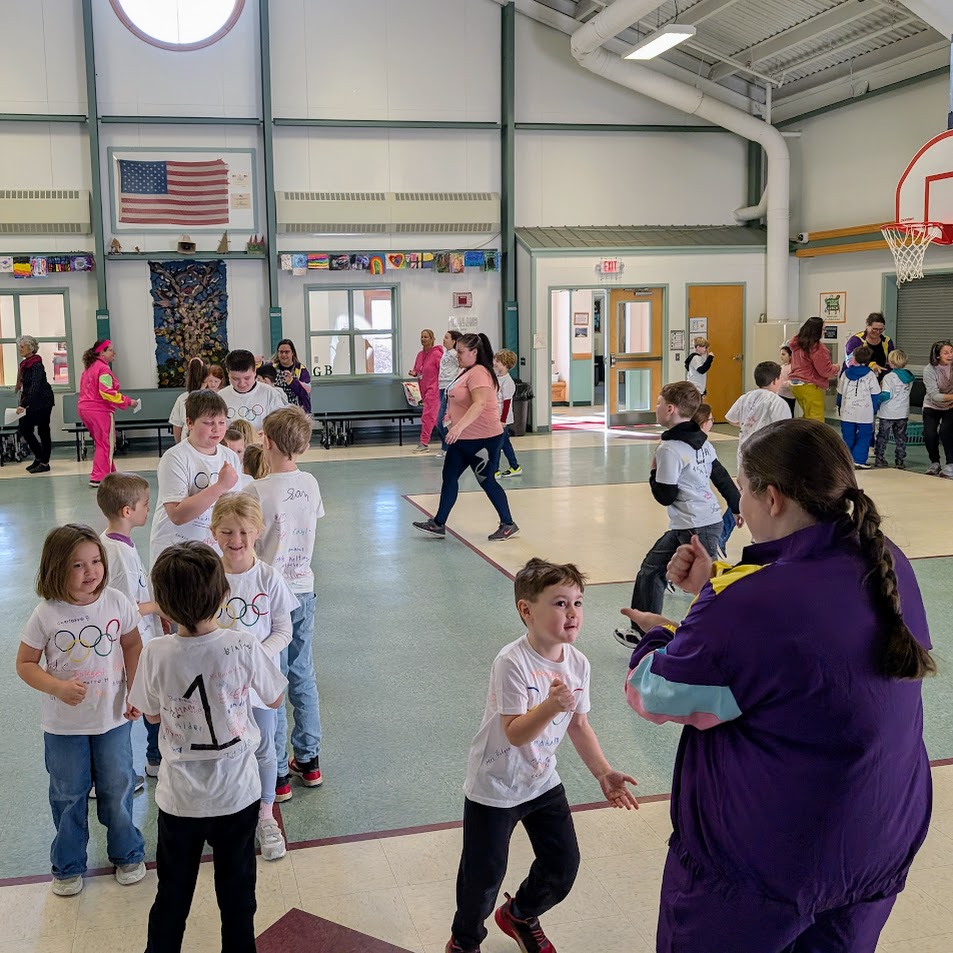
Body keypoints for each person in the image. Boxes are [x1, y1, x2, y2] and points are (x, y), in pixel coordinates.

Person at [621, 418, 934, 953]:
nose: (738, 506)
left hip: (773, 862)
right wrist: (715, 590)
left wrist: (664, 633)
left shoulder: (749, 604)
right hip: (878, 839)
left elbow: (652, 692)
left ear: (772, 497)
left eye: (743, 489)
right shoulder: (886, 561)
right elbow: (800, 652)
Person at [445, 558, 639, 953]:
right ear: (526, 610)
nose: (572, 613)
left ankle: (520, 914)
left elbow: (579, 725)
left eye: (578, 603)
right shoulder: (511, 662)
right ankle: (464, 942)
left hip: (542, 780)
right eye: (560, 603)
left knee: (562, 865)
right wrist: (551, 706)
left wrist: (603, 773)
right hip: (495, 785)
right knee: (482, 878)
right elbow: (515, 733)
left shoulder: (578, 663)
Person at [129, 542, 287, 953]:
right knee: (237, 897)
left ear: (163, 605)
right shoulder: (243, 644)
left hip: (180, 799)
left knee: (172, 895)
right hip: (237, 793)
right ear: (222, 595)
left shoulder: (155, 652)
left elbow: (150, 715)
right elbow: (274, 698)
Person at [16, 524, 146, 897]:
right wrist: (56, 687)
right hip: (63, 727)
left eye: (95, 561)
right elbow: (25, 663)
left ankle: (127, 853)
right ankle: (69, 864)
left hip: (113, 719)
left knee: (117, 786)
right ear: (57, 568)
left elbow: (132, 644)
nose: (90, 572)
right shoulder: (46, 614)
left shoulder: (117, 601)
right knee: (68, 793)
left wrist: (135, 690)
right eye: (77, 565)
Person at [614, 382, 740, 648]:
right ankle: (643, 630)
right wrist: (737, 505)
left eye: (659, 403)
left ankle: (718, 639)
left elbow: (665, 496)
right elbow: (720, 476)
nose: (656, 407)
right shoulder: (702, 442)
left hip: (696, 525)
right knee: (651, 569)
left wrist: (653, 472)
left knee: (707, 585)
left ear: (670, 409)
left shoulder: (669, 449)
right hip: (696, 522)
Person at [211, 493, 298, 862]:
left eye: (245, 532)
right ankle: (227, 813)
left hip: (260, 686)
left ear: (258, 532)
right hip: (219, 686)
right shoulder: (208, 575)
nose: (237, 540)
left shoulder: (268, 577)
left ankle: (265, 814)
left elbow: (283, 630)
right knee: (224, 749)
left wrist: (254, 656)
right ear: (214, 532)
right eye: (228, 532)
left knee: (264, 748)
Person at [246, 406, 325, 801]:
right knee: (302, 673)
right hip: (303, 587)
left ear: (268, 442)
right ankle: (309, 761)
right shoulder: (310, 483)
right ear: (303, 446)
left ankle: (277, 771)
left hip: (269, 593)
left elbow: (251, 541)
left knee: (271, 678)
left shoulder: (256, 490)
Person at [412, 333, 519, 541]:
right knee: (449, 476)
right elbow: (455, 398)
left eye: (461, 352)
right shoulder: (466, 370)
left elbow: (479, 404)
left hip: (483, 439)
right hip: (462, 439)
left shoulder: (479, 373)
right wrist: (449, 418)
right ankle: (438, 523)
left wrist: (457, 428)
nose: (457, 355)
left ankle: (508, 523)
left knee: (486, 481)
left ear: (474, 352)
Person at [97, 473, 164, 778]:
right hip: (133, 645)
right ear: (128, 510)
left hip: (142, 638)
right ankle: (151, 760)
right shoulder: (117, 553)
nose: (149, 509)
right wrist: (160, 607)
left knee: (151, 701)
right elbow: (126, 609)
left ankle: (154, 757)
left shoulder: (117, 542)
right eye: (145, 504)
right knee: (143, 703)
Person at [149, 390, 240, 566]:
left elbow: (234, 507)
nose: (217, 428)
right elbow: (177, 514)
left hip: (212, 550)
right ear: (190, 423)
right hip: (177, 551)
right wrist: (220, 486)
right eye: (208, 423)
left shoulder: (230, 457)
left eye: (222, 422)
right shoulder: (175, 457)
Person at [77, 339, 140, 488]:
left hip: (84, 409)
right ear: (102, 353)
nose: (114, 352)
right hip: (99, 410)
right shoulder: (103, 369)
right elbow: (107, 393)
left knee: (102, 443)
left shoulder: (89, 367)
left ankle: (111, 474)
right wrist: (128, 402)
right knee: (105, 444)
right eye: (110, 350)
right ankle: (99, 477)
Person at [14, 334, 55, 473]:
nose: (20, 349)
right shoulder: (25, 364)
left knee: (43, 431)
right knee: (24, 428)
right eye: (19, 346)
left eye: (22, 346)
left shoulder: (36, 365)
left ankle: (44, 462)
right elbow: (26, 387)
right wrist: (23, 402)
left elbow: (35, 387)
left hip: (43, 402)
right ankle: (39, 456)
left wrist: (23, 405)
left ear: (31, 348)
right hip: (32, 402)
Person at [219, 349, 287, 430]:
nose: (242, 384)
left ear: (255, 371)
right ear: (228, 372)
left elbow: (281, 426)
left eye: (247, 378)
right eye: (235, 379)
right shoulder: (220, 397)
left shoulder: (270, 394)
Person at [837, 346, 881, 469]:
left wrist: (839, 406)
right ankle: (859, 460)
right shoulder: (870, 375)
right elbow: (875, 394)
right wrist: (874, 409)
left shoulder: (845, 374)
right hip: (865, 413)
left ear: (854, 358)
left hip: (847, 412)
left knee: (847, 437)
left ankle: (846, 460)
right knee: (864, 436)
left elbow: (840, 393)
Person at [788, 317, 839, 421]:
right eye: (823, 329)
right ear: (816, 331)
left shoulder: (797, 344)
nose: (825, 332)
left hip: (795, 385)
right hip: (810, 385)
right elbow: (825, 371)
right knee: (816, 420)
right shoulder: (818, 348)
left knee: (807, 417)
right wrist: (836, 368)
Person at [874, 348, 914, 470]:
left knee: (883, 437)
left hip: (888, 412)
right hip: (903, 412)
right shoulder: (910, 377)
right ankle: (900, 461)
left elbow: (887, 395)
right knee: (901, 438)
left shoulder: (889, 377)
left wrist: (876, 399)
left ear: (890, 362)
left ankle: (879, 459)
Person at [409, 328, 444, 453]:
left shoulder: (437, 355)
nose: (423, 339)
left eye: (426, 337)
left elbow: (443, 372)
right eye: (422, 337)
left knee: (428, 416)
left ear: (432, 339)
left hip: (434, 390)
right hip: (423, 389)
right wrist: (414, 373)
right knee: (437, 418)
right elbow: (417, 369)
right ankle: (449, 441)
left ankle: (423, 442)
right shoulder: (420, 355)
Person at [922, 339, 953, 477]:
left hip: (951, 407)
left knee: (946, 431)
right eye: (946, 353)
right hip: (932, 405)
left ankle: (951, 463)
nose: (950, 355)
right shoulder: (929, 370)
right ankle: (934, 462)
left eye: (951, 351)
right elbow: (934, 395)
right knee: (929, 434)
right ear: (937, 355)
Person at [493, 349, 522, 478]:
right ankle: (515, 466)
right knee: (505, 443)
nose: (495, 363)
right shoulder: (497, 377)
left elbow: (506, 402)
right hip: (496, 415)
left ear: (505, 364)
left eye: (498, 361)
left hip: (502, 419)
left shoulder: (507, 382)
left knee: (497, 445)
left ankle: (495, 469)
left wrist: (503, 420)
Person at [844, 312, 895, 378]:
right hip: (857, 378)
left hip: (881, 379)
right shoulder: (856, 340)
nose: (878, 332)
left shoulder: (887, 341)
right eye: (875, 329)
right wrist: (871, 365)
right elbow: (850, 362)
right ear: (867, 326)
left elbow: (892, 362)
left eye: (881, 329)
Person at [169, 357, 208, 444]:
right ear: (206, 379)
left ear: (188, 378)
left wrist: (178, 445)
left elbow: (177, 426)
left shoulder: (182, 399)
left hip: (186, 442)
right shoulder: (213, 398)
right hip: (207, 443)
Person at [437, 329, 463, 451]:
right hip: (442, 387)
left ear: (454, 341)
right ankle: (446, 447)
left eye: (447, 337)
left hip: (450, 387)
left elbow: (462, 366)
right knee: (441, 421)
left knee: (442, 420)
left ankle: (448, 447)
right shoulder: (446, 353)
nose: (444, 339)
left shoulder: (455, 354)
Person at [272, 338, 312, 414]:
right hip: (277, 412)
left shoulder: (301, 370)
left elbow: (305, 393)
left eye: (286, 352)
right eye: (281, 352)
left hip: (296, 412)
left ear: (292, 353)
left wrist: (292, 382)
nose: (283, 355)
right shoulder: (271, 368)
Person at [778, 345, 796, 416]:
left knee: (789, 414)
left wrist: (781, 383)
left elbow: (792, 382)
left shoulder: (792, 368)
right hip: (780, 394)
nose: (781, 356)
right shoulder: (781, 367)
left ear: (790, 356)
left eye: (783, 354)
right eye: (781, 354)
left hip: (789, 396)